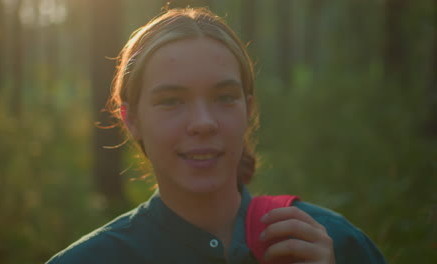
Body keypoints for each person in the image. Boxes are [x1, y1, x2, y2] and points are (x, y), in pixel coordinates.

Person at [46, 7, 386, 264]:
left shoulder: (334, 243)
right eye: (171, 101)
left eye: (224, 97)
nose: (204, 122)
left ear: (248, 110)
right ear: (131, 119)